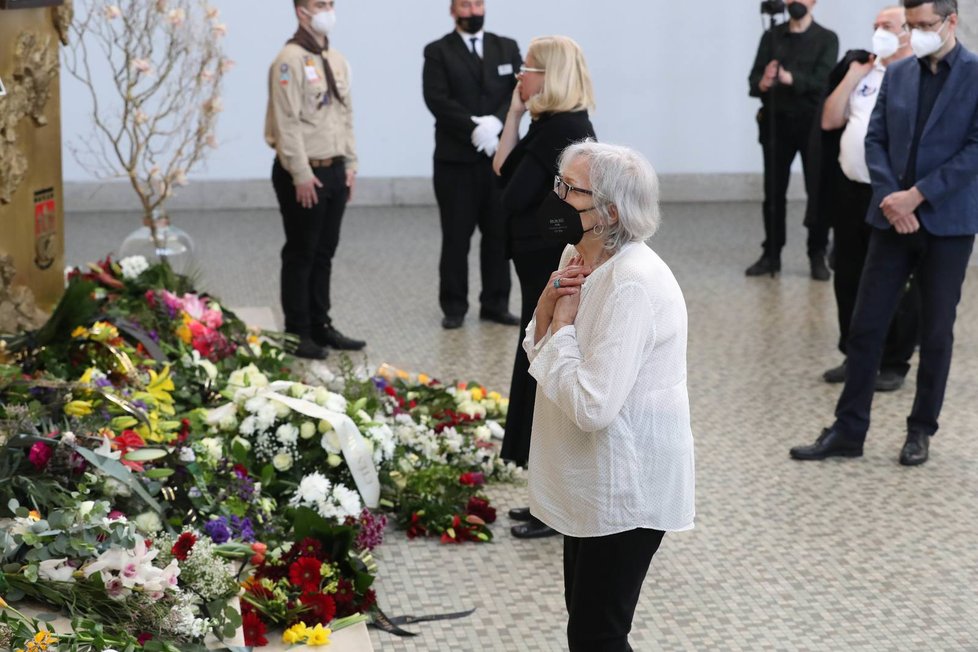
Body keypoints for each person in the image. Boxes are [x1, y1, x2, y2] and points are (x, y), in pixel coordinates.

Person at [791, 0, 978, 467]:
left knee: (935, 332)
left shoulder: (974, 74)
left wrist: (918, 196)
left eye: (923, 26)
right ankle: (849, 429)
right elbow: (874, 139)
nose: (914, 35)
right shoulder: (898, 74)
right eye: (910, 27)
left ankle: (920, 430)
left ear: (950, 22)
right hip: (890, 217)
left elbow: (974, 148)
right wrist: (893, 197)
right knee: (866, 326)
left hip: (945, 223)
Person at [524, 141, 695, 651]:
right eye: (559, 183)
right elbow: (543, 344)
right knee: (586, 624)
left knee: (598, 635)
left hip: (627, 485)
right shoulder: (577, 254)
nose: (556, 198)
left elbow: (593, 406)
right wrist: (547, 306)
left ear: (610, 211)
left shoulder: (632, 284)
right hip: (591, 477)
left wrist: (561, 327)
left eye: (570, 190)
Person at [490, 36, 596, 539]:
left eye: (526, 70)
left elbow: (510, 196)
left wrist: (520, 117)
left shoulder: (566, 129)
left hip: (547, 266)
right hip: (536, 266)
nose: (519, 78)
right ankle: (543, 496)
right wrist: (514, 114)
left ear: (547, 75)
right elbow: (502, 167)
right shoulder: (550, 125)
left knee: (545, 374)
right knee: (535, 364)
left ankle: (553, 502)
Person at [818, 5, 920, 392]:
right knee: (848, 274)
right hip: (850, 189)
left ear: (908, 32)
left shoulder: (915, 74)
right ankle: (855, 353)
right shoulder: (864, 70)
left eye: (887, 26)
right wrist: (853, 77)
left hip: (892, 194)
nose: (878, 31)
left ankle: (894, 360)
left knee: (894, 279)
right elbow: (829, 120)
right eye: (875, 25)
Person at [265, 0, 365, 360]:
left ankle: (321, 325)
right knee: (301, 253)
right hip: (304, 172)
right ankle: (298, 332)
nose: (327, 10)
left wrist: (350, 163)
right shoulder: (288, 61)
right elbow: (286, 122)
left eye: (329, 3)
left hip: (335, 168)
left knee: (324, 252)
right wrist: (301, 173)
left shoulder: (335, 59)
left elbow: (345, 114)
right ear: (301, 12)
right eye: (318, 4)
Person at [422, 0, 522, 330]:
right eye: (466, 5)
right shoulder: (438, 51)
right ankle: (454, 305)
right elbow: (436, 99)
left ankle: (495, 303)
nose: (474, 10)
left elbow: (518, 92)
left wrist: (496, 123)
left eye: (478, 3)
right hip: (456, 162)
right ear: (453, 11)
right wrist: (473, 129)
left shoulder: (505, 47)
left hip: (498, 157)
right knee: (456, 236)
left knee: (498, 234)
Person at [747, 0, 838, 279]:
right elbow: (753, 80)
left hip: (813, 127)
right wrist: (763, 82)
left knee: (818, 190)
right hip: (777, 124)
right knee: (773, 192)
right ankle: (771, 254)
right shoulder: (772, 36)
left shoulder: (827, 38)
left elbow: (823, 82)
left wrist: (790, 78)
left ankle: (817, 253)